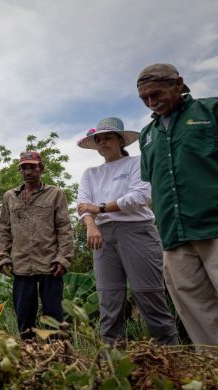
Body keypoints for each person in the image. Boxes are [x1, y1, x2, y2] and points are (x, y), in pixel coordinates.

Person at [76, 117, 178, 346]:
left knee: (149, 297)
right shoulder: (90, 173)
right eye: (98, 139)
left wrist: (100, 207)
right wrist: (91, 225)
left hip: (136, 232)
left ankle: (171, 358)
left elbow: (140, 196)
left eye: (108, 138)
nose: (102, 142)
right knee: (109, 301)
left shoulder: (137, 163)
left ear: (120, 140)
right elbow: (82, 204)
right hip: (102, 236)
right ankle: (113, 364)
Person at [136, 63, 218, 346]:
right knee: (197, 313)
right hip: (174, 237)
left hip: (213, 226)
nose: (150, 102)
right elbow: (153, 183)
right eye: (144, 98)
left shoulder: (211, 112)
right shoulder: (147, 136)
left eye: (156, 93)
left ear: (178, 84)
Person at [0, 151, 73, 339]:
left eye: (32, 167)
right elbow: (4, 228)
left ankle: (56, 355)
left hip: (50, 264)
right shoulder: (10, 196)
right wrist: (3, 256)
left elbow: (64, 227)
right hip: (21, 264)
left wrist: (63, 258)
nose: (28, 171)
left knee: (53, 316)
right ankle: (28, 355)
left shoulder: (55, 193)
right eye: (24, 168)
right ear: (20, 171)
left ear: (41, 169)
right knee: (24, 315)